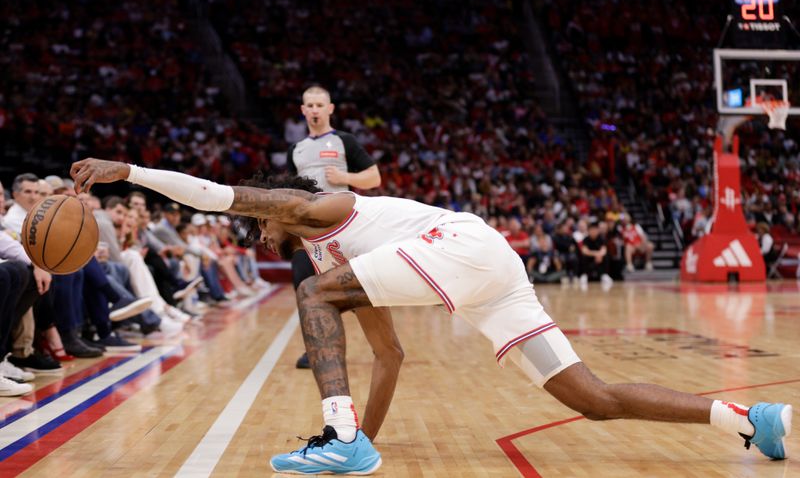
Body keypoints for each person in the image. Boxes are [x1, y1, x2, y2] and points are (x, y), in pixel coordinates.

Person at [70, 158, 793, 475]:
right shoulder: (338, 271)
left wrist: (128, 172)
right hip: (489, 270)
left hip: (460, 245)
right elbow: (388, 357)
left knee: (315, 298)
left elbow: (212, 194)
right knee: (590, 400)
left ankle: (341, 438)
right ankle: (747, 418)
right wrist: (365, 440)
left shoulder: (312, 210)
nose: (259, 234)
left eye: (265, 227)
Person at [287, 85, 381, 369]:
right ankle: (315, 350)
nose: (315, 110)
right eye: (310, 105)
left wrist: (345, 176)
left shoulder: (344, 142)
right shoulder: (296, 149)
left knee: (357, 290)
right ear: (303, 111)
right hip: (307, 230)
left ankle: (382, 345)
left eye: (320, 105)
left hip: (342, 228)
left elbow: (374, 178)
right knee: (304, 287)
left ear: (330, 109)